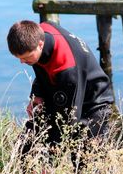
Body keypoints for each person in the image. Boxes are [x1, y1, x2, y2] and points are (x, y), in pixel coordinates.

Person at [7, 19, 114, 149]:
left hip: (93, 102)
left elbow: (69, 120)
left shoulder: (67, 69)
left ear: (40, 45)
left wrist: (52, 155)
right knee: (26, 146)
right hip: (61, 88)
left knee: (83, 156)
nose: (22, 62)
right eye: (19, 58)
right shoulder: (39, 32)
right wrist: (37, 95)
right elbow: (41, 67)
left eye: (26, 57)